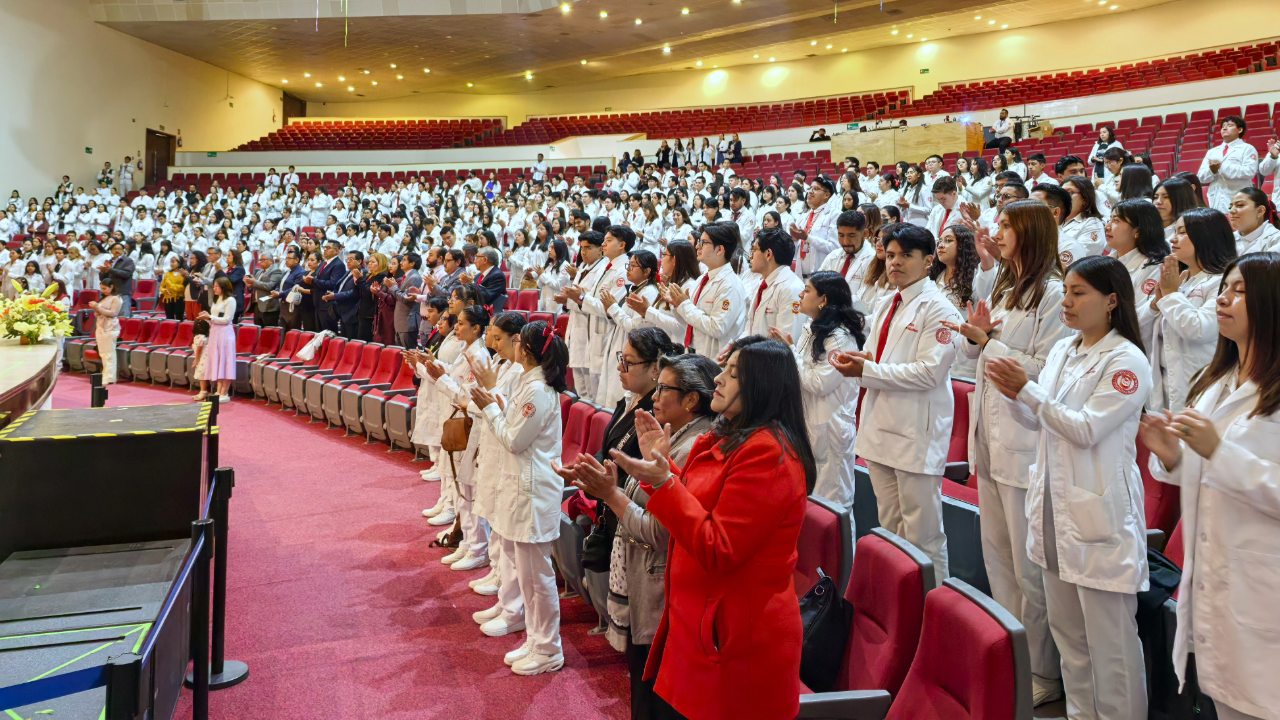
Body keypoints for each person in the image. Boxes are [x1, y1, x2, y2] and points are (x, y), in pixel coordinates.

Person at [564, 336, 815, 720]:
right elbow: (698, 501)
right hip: (697, 623)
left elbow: (719, 547)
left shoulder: (770, 453)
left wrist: (664, 484)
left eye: (732, 374)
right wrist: (660, 471)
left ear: (761, 385)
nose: (719, 380)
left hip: (734, 638)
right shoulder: (727, 437)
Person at [987, 254, 1152, 720]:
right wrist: (1016, 395)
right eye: (1068, 291)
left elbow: (1085, 428)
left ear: (1112, 300)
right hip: (1055, 512)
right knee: (1071, 643)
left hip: (1099, 518)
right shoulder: (1064, 350)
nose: (1068, 301)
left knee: (1112, 652)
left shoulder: (1126, 360)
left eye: (1080, 293)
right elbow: (1043, 421)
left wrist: (1028, 392)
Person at [1141, 251, 1280, 720]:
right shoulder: (1217, 381)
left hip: (1263, 586)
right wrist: (1173, 455)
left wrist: (1218, 450)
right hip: (1219, 582)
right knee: (1224, 703)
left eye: (1240, 290)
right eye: (1225, 287)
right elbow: (1207, 472)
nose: (1224, 298)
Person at [945, 200, 1071, 706]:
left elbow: (1044, 369)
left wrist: (989, 345)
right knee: (998, 559)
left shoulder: (1054, 293)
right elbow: (980, 352)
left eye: (1005, 225)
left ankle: (1043, 670)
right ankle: (1011, 653)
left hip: (1024, 443)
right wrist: (977, 341)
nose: (996, 231)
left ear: (1030, 233)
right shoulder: (1006, 287)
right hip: (990, 438)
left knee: (1027, 567)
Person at [561, 353, 718, 718]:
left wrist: (610, 495)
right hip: (646, 579)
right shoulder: (670, 437)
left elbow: (658, 531)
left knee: (653, 700)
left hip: (659, 589)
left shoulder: (693, 447)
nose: (656, 396)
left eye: (664, 388)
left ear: (692, 400)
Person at [832, 223, 962, 584]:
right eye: (890, 255)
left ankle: (933, 613)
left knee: (924, 535)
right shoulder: (889, 300)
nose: (896, 262)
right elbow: (875, 356)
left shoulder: (941, 309)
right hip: (881, 427)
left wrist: (867, 368)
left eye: (906, 255)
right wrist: (855, 364)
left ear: (928, 260)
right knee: (891, 528)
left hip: (915, 433)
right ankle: (901, 608)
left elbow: (929, 373)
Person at [469, 320, 570, 676]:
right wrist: (495, 403)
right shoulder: (531, 385)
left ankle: (548, 648)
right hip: (521, 488)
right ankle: (534, 638)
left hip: (533, 492)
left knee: (537, 577)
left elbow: (514, 440)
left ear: (523, 350)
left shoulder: (539, 390)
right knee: (527, 574)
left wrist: (490, 407)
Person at [786, 270, 865, 511]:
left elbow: (819, 383)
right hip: (808, 422)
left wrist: (789, 352)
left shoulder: (841, 338)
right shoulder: (812, 328)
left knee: (833, 503)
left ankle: (841, 550)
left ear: (824, 300)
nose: (801, 293)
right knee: (809, 499)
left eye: (807, 290)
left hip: (830, 428)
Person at [1148, 208, 1237, 411]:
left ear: (1206, 236)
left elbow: (1198, 329)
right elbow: (1140, 327)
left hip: (1199, 383)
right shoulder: (1181, 279)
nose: (1172, 239)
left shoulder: (1223, 282)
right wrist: (1155, 304)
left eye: (1182, 232)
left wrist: (1170, 295)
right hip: (1164, 383)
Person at [668, 221, 747, 360]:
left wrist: (684, 305)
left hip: (713, 359)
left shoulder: (730, 285)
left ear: (720, 250)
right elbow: (689, 321)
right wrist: (677, 305)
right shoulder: (702, 279)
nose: (698, 246)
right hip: (693, 352)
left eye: (704, 242)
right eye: (699, 241)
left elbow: (717, 327)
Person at [597, 250, 661, 409]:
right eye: (628, 265)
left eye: (633, 266)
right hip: (618, 345)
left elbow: (635, 327)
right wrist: (611, 308)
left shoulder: (649, 293)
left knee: (617, 397)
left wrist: (612, 307)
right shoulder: (635, 288)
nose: (628, 269)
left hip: (630, 351)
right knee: (608, 394)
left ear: (647, 271)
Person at [1106, 200, 1170, 353]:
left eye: (1116, 221)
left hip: (1132, 348)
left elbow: (1138, 319)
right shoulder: (1110, 258)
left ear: (1138, 231)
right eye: (1109, 219)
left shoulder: (1154, 267)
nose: (1107, 226)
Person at [743, 227, 804, 342]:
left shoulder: (792, 289)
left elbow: (786, 342)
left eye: (754, 250)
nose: (750, 256)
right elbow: (750, 328)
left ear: (768, 254)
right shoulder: (763, 282)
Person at [1197, 116, 1259, 212]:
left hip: (1239, 196)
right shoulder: (1212, 152)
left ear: (1240, 130)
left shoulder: (1248, 149)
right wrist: (1212, 171)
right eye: (1223, 126)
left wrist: (1221, 167)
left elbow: (1249, 172)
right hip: (1216, 199)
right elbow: (1201, 177)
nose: (1224, 128)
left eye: (1229, 125)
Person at [788, 177, 839, 276]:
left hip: (822, 277)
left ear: (826, 195)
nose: (810, 192)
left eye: (815, 189)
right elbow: (797, 247)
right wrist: (794, 238)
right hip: (801, 276)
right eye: (810, 188)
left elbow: (835, 248)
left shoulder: (834, 215)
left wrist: (808, 238)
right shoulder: (804, 216)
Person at [199, 277, 238, 402]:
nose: (214, 288)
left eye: (216, 286)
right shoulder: (216, 299)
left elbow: (227, 319)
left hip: (225, 334)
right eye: (214, 286)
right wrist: (207, 317)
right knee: (218, 361)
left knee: (225, 361)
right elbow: (214, 318)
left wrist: (210, 317)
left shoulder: (230, 300)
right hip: (215, 333)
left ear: (224, 287)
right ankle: (218, 391)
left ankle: (224, 392)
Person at [89, 277, 123, 384]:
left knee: (109, 353)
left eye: (104, 288)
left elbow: (113, 313)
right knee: (103, 353)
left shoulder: (116, 298)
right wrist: (95, 308)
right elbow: (98, 313)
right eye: (101, 289)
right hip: (100, 327)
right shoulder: (103, 299)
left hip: (110, 328)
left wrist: (97, 307)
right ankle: (105, 375)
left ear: (111, 287)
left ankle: (109, 377)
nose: (102, 291)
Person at [1228, 187, 1280, 255]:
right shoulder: (1227, 239)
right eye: (1230, 207)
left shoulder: (1276, 240)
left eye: (1240, 205)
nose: (1231, 211)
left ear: (1260, 211)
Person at [248, 253, 284, 327]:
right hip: (257, 304)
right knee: (258, 330)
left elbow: (270, 286)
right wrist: (250, 285)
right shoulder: (259, 272)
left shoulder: (276, 271)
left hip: (269, 307)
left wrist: (254, 282)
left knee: (268, 332)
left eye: (263, 260)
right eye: (260, 260)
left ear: (271, 261)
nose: (261, 261)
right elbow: (256, 285)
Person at [159, 255, 186, 320]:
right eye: (171, 262)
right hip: (168, 299)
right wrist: (164, 290)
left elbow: (183, 287)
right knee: (169, 317)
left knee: (179, 318)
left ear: (179, 263)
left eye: (173, 262)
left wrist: (171, 286)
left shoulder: (183, 274)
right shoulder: (167, 274)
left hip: (179, 299)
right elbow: (161, 287)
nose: (171, 264)